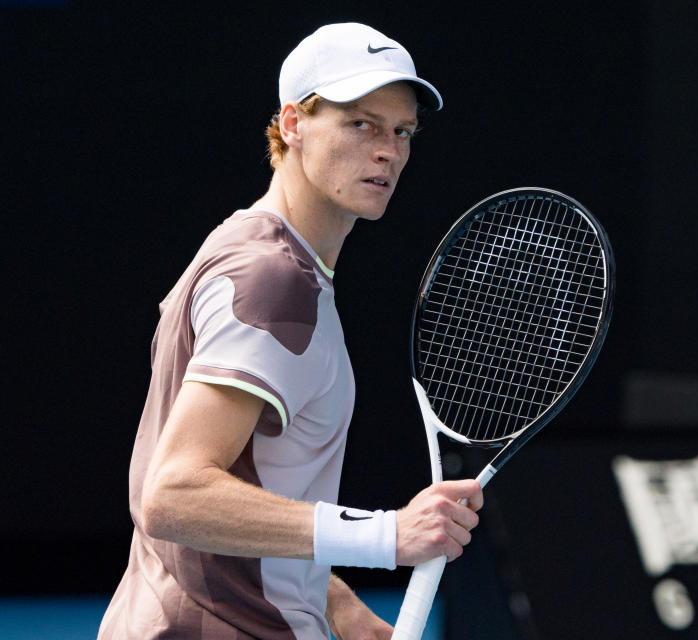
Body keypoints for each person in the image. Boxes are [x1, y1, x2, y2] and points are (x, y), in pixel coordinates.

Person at [99, 22, 483, 640]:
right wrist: (386, 535)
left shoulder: (245, 242)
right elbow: (172, 495)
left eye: (402, 130)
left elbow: (250, 487)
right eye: (361, 123)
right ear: (293, 124)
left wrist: (337, 604)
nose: (388, 150)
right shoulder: (274, 279)